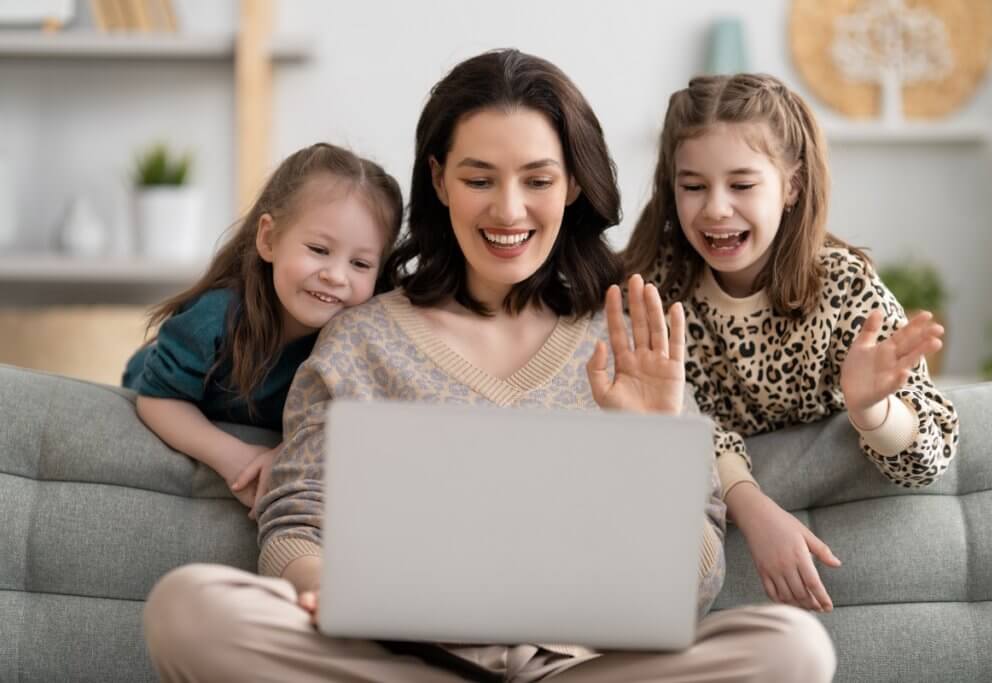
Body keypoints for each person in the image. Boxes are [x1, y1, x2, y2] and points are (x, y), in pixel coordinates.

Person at [142, 51, 835, 682]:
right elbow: (293, 523)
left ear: (571, 186)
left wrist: (652, 445)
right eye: (480, 178)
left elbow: (696, 582)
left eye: (537, 179)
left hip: (575, 668)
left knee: (790, 648)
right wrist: (324, 586)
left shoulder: (624, 338)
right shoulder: (364, 340)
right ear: (440, 180)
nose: (508, 210)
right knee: (189, 607)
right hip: (403, 664)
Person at [621, 73, 959, 614]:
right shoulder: (654, 290)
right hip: (710, 546)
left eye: (742, 184)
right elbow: (677, 426)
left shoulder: (847, 289)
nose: (715, 209)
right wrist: (752, 507)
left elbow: (929, 459)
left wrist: (872, 409)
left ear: (792, 186)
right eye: (693, 186)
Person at [123, 143, 402, 516]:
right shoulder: (215, 317)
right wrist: (234, 456)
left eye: (360, 263)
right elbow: (157, 398)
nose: (336, 276)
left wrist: (284, 452)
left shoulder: (358, 333)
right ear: (268, 238)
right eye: (319, 249)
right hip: (161, 380)